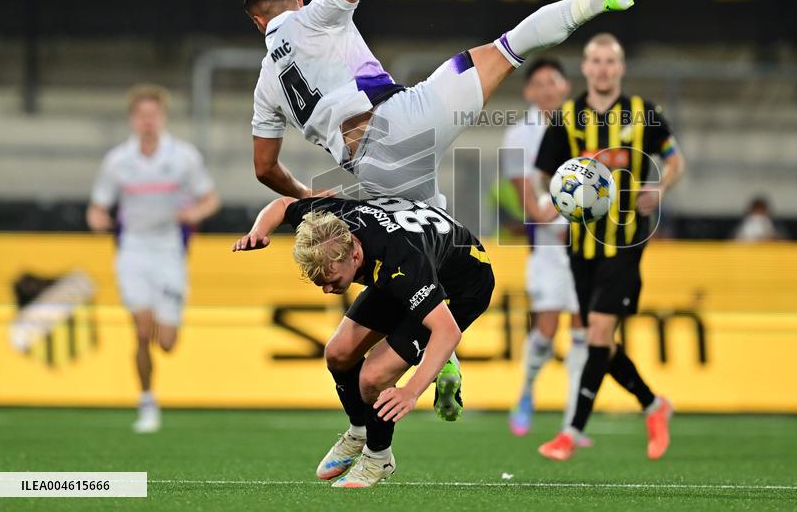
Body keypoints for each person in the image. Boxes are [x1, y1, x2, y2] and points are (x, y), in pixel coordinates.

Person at [245, 0, 653, 208]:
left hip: (371, 173)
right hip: (402, 120)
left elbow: (265, 167)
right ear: (296, 1)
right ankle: (602, 0)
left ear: (259, 24)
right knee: (508, 48)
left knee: (431, 264)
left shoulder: (266, 86)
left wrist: (305, 194)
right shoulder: (312, 16)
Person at [232, 194, 495, 488]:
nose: (327, 290)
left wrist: (410, 390)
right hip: (412, 264)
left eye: (331, 280)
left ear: (355, 255)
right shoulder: (328, 224)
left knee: (373, 377)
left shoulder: (402, 262)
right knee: (338, 353)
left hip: (462, 285)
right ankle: (359, 431)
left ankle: (379, 457)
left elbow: (447, 332)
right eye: (319, 283)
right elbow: (282, 205)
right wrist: (259, 231)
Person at [533, 33, 686, 461]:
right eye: (595, 61)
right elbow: (545, 172)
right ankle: (655, 405)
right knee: (601, 341)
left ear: (620, 68)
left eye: (610, 61)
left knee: (598, 332)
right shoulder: (568, 116)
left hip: (626, 239)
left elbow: (675, 160)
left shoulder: (643, 113)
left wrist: (660, 188)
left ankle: (571, 431)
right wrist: (556, 198)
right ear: (585, 67)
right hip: (580, 244)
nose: (602, 68)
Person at [86, 85, 220, 433]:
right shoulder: (118, 161)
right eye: (141, 115)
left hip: (168, 251)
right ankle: (147, 401)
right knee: (142, 331)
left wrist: (195, 213)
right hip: (133, 250)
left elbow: (210, 199)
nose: (147, 122)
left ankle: (168, 317)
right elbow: (98, 208)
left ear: (162, 118)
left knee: (167, 342)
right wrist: (97, 219)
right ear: (133, 119)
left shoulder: (183, 157)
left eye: (153, 115)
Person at [501, 57, 588, 438]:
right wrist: (569, 197)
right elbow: (532, 208)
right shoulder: (519, 136)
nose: (548, 89)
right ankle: (527, 391)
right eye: (539, 84)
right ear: (528, 92)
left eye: (554, 81)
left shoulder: (588, 129)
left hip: (588, 247)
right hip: (549, 247)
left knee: (585, 329)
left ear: (566, 86)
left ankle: (573, 418)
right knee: (547, 330)